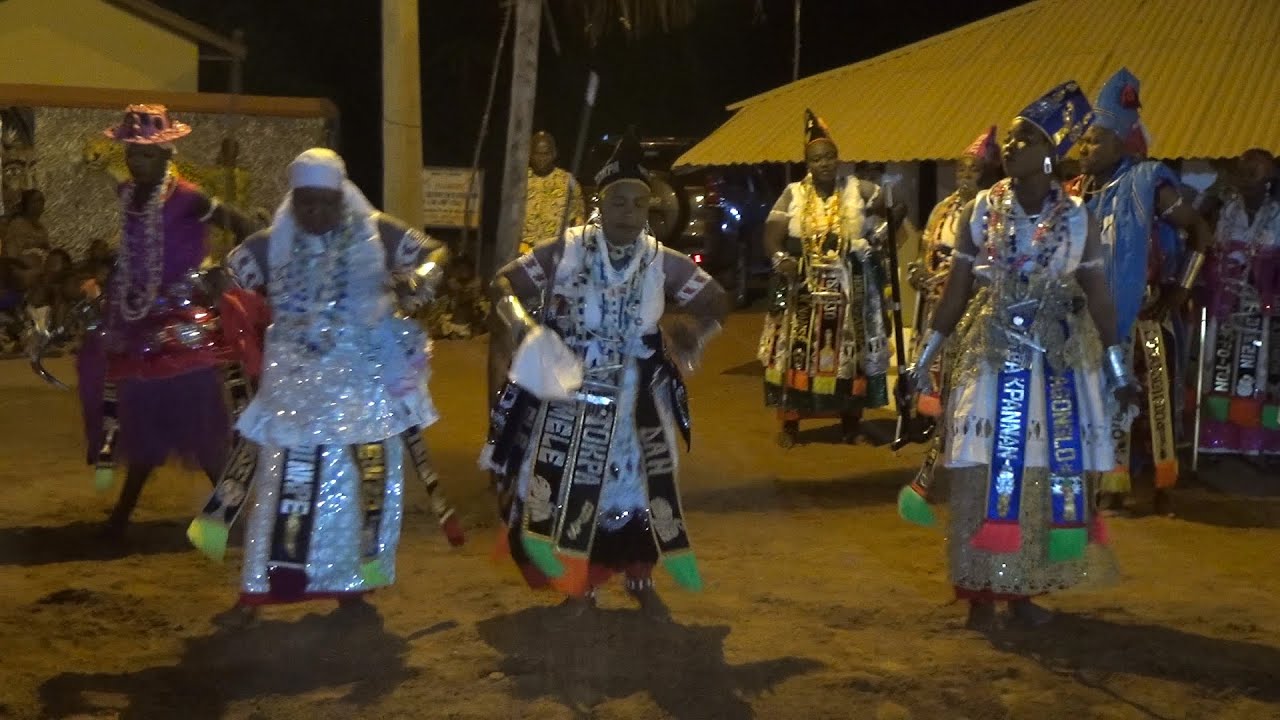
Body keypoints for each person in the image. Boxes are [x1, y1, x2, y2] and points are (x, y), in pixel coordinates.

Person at [904, 81, 1136, 630]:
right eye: (1008, 140)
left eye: (1024, 139)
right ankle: (979, 589)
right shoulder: (984, 208)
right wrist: (924, 359)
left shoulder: (1077, 216)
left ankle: (1024, 589)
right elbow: (957, 290)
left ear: (1049, 151)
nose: (1011, 148)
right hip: (991, 352)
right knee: (982, 466)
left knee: (1043, 466)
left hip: (1055, 359)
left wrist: (1117, 366)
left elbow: (1099, 296)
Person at [195, 148, 460, 621]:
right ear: (293, 201)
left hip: (362, 387)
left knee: (359, 487)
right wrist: (213, 281)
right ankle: (257, 590)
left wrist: (418, 276)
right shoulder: (273, 242)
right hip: (295, 389)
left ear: (342, 197)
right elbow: (228, 275)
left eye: (324, 202)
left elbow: (437, 251)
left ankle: (352, 589)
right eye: (305, 202)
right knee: (280, 487)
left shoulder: (377, 232)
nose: (315, 213)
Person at [483, 128, 728, 616]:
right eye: (619, 203)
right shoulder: (566, 250)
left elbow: (715, 299)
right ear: (600, 202)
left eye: (639, 205)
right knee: (570, 481)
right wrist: (526, 329)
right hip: (572, 390)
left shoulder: (660, 260)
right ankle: (580, 577)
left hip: (636, 395)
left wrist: (692, 333)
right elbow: (502, 285)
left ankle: (639, 573)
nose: (629, 215)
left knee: (638, 487)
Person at [75, 104, 258, 538]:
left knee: (196, 418)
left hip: (182, 322)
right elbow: (135, 253)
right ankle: (122, 515)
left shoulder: (191, 197)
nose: (136, 161)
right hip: (137, 321)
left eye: (146, 154)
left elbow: (245, 224)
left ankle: (228, 516)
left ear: (166, 155)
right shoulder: (127, 196)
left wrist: (222, 271)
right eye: (131, 153)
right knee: (141, 417)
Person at [1067, 68, 1212, 515]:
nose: (1083, 148)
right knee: (1085, 396)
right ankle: (1094, 479)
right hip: (1084, 315)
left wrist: (1178, 287)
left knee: (1143, 401)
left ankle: (1139, 486)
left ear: (1121, 141)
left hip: (1141, 313)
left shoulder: (1150, 182)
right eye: (1083, 140)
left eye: (1093, 140)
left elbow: (1200, 231)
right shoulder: (1072, 193)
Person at [758, 109, 895, 445]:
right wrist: (780, 259)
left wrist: (873, 240)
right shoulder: (793, 193)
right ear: (808, 163)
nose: (825, 164)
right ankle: (791, 425)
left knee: (849, 360)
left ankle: (850, 424)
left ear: (838, 159)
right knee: (795, 355)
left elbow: (893, 210)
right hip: (804, 290)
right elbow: (771, 236)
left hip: (848, 290)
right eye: (817, 159)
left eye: (830, 157)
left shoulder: (857, 188)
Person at [1196, 149, 1280, 459]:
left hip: (1262, 308)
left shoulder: (1276, 214)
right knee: (1218, 368)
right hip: (1227, 302)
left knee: (1255, 373)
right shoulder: (1227, 210)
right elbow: (1214, 248)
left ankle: (1255, 443)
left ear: (1268, 180)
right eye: (1242, 174)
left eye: (1253, 174)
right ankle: (1218, 437)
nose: (1246, 181)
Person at [521, 131, 584, 255]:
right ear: (530, 154)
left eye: (546, 154)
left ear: (554, 154)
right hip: (523, 251)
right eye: (537, 154)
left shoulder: (567, 181)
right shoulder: (521, 180)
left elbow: (577, 220)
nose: (541, 159)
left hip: (554, 252)